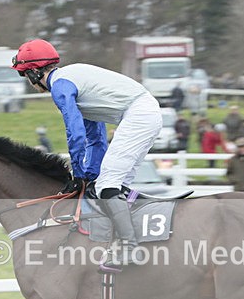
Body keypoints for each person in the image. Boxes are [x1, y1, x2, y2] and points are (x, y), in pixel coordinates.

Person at [11, 38, 162, 270]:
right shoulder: (73, 79)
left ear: (33, 73)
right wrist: (88, 176)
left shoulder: (60, 86)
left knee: (107, 185)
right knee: (111, 185)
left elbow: (76, 133)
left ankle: (130, 248)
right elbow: (96, 136)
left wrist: (78, 174)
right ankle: (139, 234)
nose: (29, 84)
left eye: (25, 76)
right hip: (143, 113)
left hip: (138, 115)